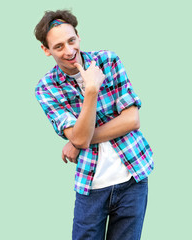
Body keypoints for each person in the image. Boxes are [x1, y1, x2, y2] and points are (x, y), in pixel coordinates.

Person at [34, 9, 154, 240]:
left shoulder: (108, 61)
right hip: (91, 186)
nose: (69, 51)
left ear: (78, 36)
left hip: (133, 177)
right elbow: (79, 137)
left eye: (71, 40)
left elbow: (132, 119)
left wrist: (79, 142)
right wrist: (91, 90)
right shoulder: (46, 88)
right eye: (59, 46)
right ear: (46, 50)